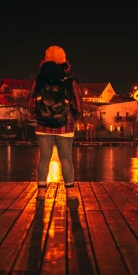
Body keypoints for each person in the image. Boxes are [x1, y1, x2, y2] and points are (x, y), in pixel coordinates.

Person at [28, 45, 83, 201]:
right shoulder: (70, 81)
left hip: (43, 125)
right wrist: (71, 118)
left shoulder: (39, 80)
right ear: (63, 60)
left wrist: (39, 116)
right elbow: (78, 105)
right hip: (65, 125)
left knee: (44, 158)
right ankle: (70, 192)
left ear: (46, 59)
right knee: (66, 158)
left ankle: (41, 191)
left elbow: (30, 103)